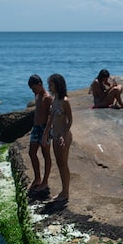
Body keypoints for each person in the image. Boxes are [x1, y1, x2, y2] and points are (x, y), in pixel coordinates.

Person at [43, 73, 73, 204]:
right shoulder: (54, 100)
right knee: (59, 163)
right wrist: (45, 134)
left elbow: (70, 120)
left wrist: (63, 134)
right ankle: (63, 191)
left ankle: (65, 192)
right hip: (55, 136)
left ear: (58, 85)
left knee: (63, 163)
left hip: (63, 136)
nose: (49, 86)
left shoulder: (65, 101)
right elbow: (50, 119)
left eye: (51, 84)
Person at [27, 75, 53, 194]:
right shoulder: (37, 95)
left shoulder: (47, 98)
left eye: (33, 88)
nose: (33, 90)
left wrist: (46, 133)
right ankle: (37, 178)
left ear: (40, 84)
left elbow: (50, 117)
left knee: (45, 154)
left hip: (44, 128)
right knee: (32, 152)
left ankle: (45, 180)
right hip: (36, 127)